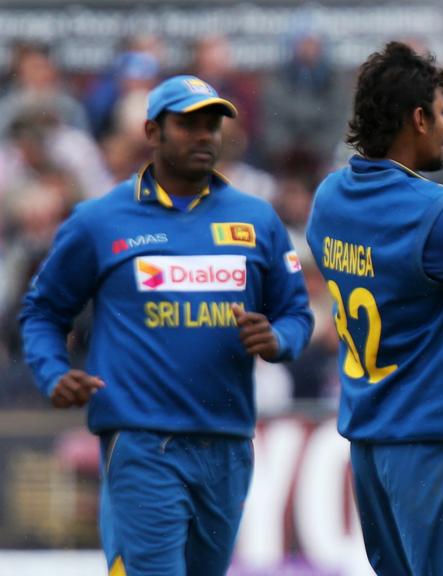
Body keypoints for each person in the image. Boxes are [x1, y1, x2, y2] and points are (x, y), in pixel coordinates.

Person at [19, 75, 313, 576]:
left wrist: (278, 338)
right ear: (152, 131)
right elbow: (42, 312)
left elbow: (297, 314)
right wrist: (52, 372)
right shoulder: (99, 220)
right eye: (188, 124)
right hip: (142, 442)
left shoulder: (256, 220)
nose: (205, 135)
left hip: (228, 444)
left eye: (213, 125)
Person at [305, 41, 443, 575]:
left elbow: (422, 226)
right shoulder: (436, 217)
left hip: (373, 450)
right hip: (438, 447)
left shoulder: (330, 197)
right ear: (418, 118)